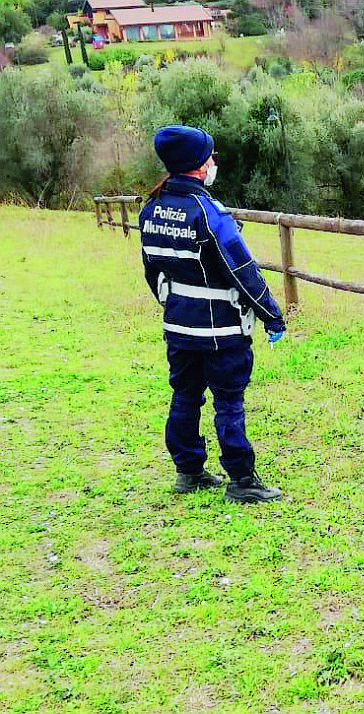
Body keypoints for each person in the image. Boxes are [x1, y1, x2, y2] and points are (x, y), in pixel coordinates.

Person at [140, 125, 287, 503]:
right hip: (221, 330)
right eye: (211, 157)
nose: (213, 163)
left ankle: (188, 470)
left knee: (185, 396)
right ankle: (242, 480)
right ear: (199, 165)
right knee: (229, 402)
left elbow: (152, 271)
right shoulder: (209, 214)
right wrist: (272, 314)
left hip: (177, 326)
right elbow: (242, 271)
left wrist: (174, 305)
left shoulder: (151, 209)